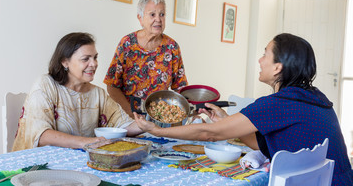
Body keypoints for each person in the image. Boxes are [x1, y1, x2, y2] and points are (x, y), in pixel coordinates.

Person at [134, 33, 353, 185]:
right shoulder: (315, 98)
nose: (260, 60)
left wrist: (157, 130)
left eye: (265, 54)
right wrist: (227, 121)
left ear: (278, 67)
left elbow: (207, 133)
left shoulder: (278, 103)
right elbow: (263, 145)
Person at [12, 32, 143, 151]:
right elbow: (40, 135)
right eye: (86, 59)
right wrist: (86, 142)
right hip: (39, 168)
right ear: (65, 62)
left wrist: (149, 124)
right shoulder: (45, 85)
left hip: (79, 166)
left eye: (95, 57)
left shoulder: (97, 93)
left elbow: (122, 124)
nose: (94, 64)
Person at [103, 0, 188, 118]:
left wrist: (189, 110)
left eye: (162, 14)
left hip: (160, 117)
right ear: (140, 18)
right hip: (126, 116)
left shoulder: (172, 47)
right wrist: (132, 115)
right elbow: (112, 85)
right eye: (152, 14)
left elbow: (179, 87)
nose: (158, 19)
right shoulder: (127, 43)